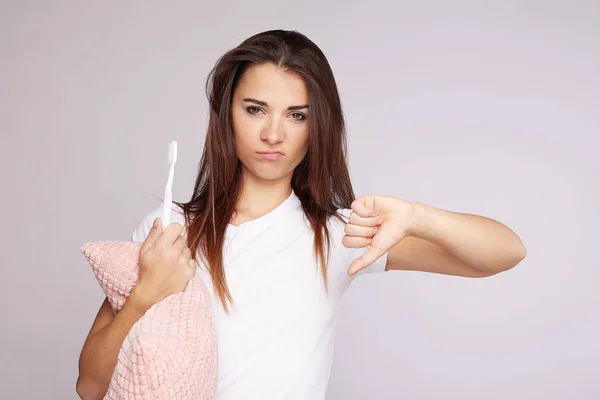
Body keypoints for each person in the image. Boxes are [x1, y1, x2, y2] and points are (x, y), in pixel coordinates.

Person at [76, 29, 527, 399]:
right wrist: (145, 295)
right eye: (255, 110)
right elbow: (90, 387)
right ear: (227, 114)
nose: (273, 133)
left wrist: (416, 217)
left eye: (297, 115)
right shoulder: (169, 229)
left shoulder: (337, 235)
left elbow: (506, 252)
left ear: (318, 126)